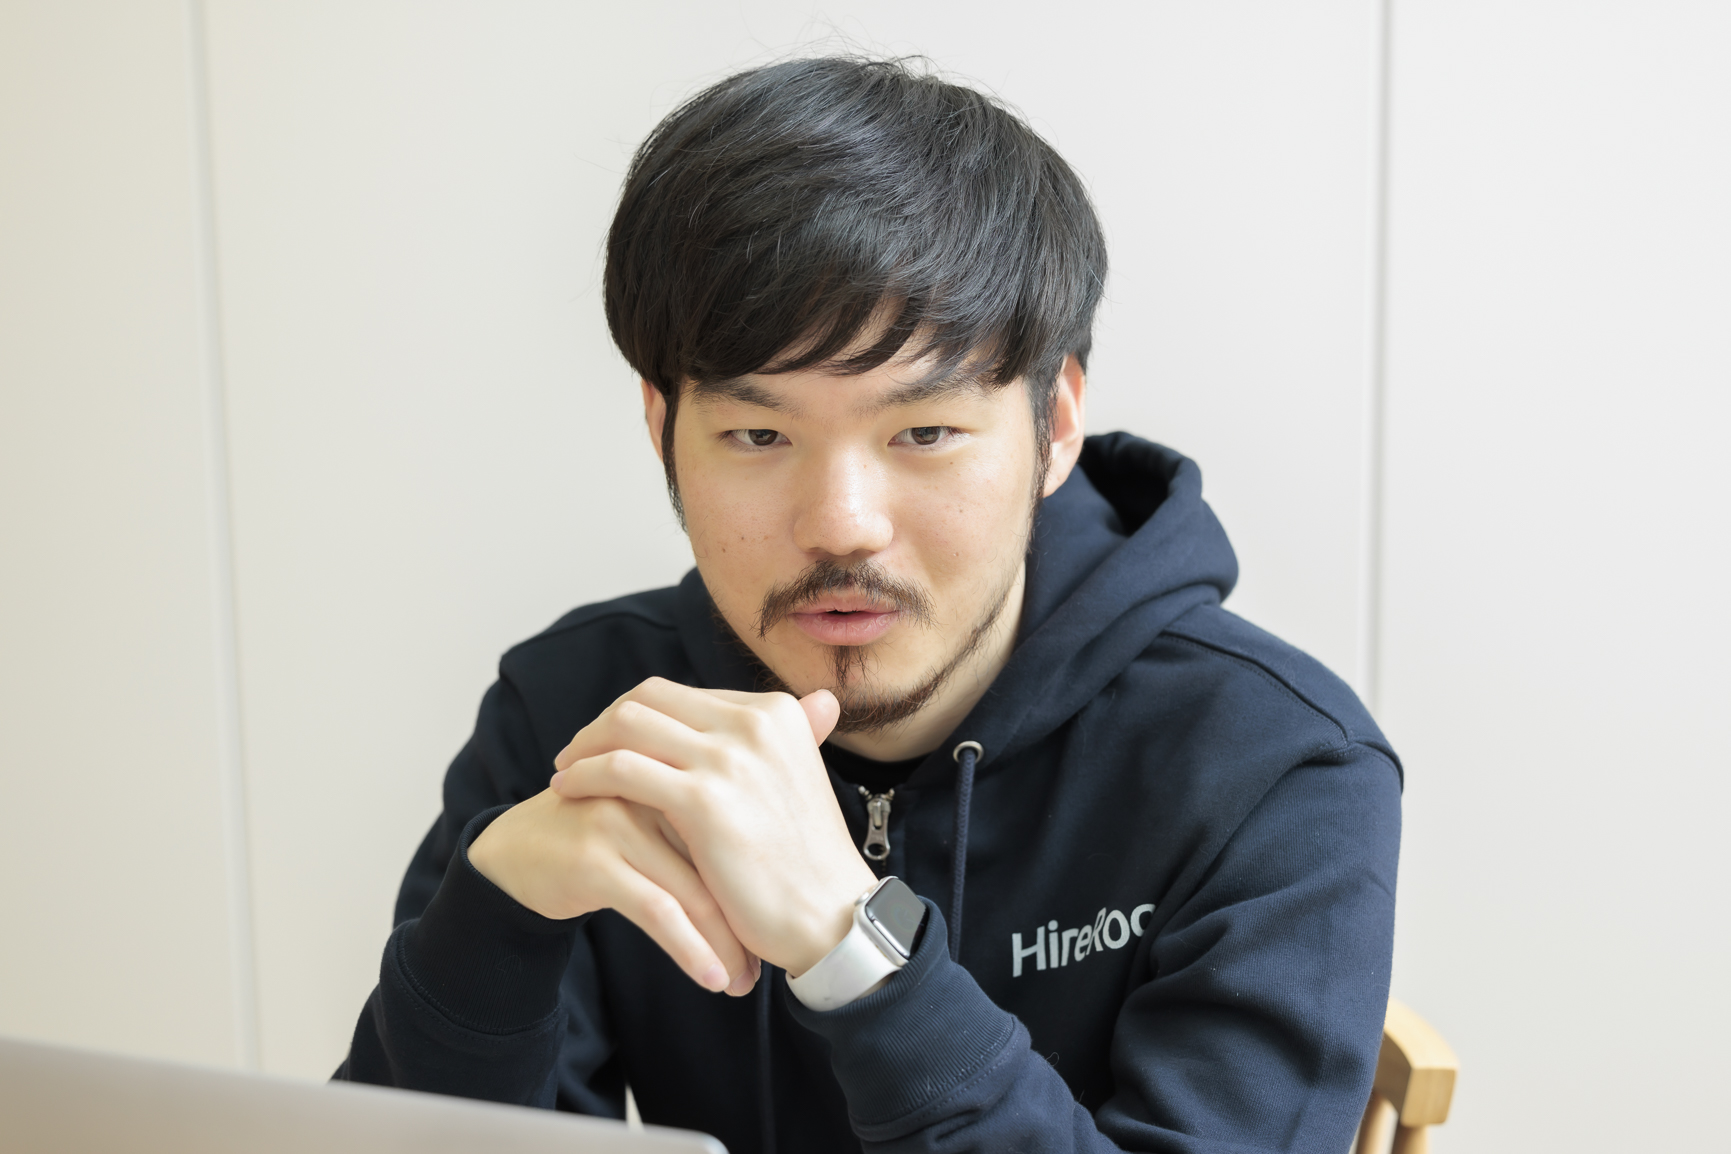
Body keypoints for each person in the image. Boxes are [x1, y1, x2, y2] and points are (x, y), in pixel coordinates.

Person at [337, 56, 1402, 1154]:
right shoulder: (582, 716)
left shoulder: (1274, 768)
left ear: (1055, 423)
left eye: (924, 431)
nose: (841, 524)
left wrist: (855, 947)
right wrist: (487, 928)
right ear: (662, 428)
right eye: (759, 434)